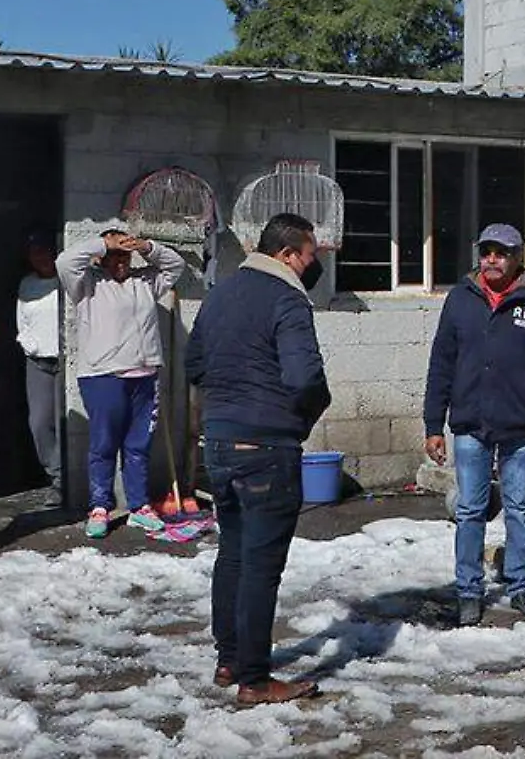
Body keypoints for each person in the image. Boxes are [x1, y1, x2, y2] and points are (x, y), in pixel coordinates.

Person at [186, 212, 330, 706]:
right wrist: (303, 418)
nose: (313, 266)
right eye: (311, 256)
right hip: (267, 447)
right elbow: (304, 376)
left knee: (233, 552)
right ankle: (254, 678)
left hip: (220, 445)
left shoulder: (220, 294)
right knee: (261, 566)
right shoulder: (287, 299)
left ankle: (229, 660)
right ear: (289, 254)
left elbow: (194, 365)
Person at [424, 224, 525, 627]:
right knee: (470, 509)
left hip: (520, 423)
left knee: (519, 507)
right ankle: (468, 591)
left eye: (501, 253)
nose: (491, 259)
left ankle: (521, 586)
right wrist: (434, 423)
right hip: (470, 422)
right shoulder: (460, 299)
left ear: (518, 257)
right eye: (486, 251)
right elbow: (441, 363)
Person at [58, 227, 186, 538]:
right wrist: (103, 243)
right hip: (104, 376)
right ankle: (100, 506)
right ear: (101, 259)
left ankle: (139, 506)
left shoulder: (145, 281)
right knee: (104, 444)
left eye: (124, 256)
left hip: (145, 374)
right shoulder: (87, 283)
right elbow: (65, 261)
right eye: (114, 256)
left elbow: (176, 265)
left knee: (138, 445)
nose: (120, 263)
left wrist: (146, 246)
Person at [16, 231, 63, 507]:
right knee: (40, 423)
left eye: (46, 251)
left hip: (65, 362)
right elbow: (22, 322)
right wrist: (30, 346)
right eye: (35, 253)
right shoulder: (27, 284)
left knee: (64, 423)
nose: (42, 258)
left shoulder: (65, 282)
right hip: (38, 362)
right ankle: (55, 476)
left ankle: (65, 483)